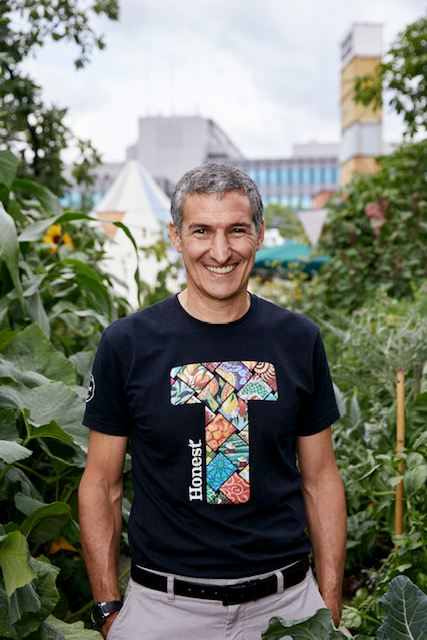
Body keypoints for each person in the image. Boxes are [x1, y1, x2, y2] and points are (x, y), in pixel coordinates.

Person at [78, 162, 347, 640]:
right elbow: (101, 483)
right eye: (202, 230)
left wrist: (327, 606)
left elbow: (321, 479)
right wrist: (108, 609)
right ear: (176, 237)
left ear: (259, 234)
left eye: (236, 230)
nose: (220, 252)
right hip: (163, 611)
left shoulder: (297, 339)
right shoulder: (128, 344)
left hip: (286, 607)